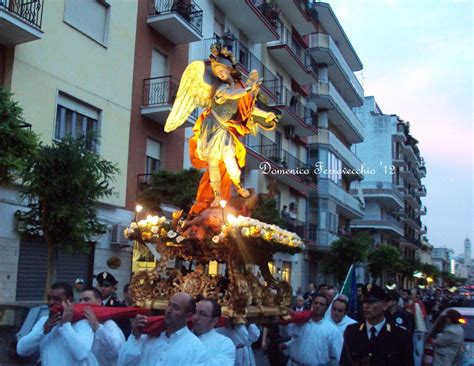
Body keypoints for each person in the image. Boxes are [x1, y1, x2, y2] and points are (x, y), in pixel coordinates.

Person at [179, 44, 277, 212]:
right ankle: (217, 196)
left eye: (223, 70)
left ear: (230, 70)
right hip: (212, 128)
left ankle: (238, 187)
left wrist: (263, 115)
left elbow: (246, 108)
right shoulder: (220, 88)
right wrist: (248, 89)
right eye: (218, 72)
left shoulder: (238, 87)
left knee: (231, 162)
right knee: (213, 164)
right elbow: (232, 95)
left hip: (225, 130)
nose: (220, 74)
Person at [17, 282, 98, 366]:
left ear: (69, 301)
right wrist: (43, 330)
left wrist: (66, 325)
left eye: (56, 299)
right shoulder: (44, 322)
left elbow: (82, 354)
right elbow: (21, 350)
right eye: (49, 298)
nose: (51, 302)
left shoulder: (82, 323)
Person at [118, 292, 208, 365]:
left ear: (188, 316)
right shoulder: (149, 336)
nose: (169, 310)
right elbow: (123, 363)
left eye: (176, 308)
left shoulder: (196, 349)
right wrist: (134, 337)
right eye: (169, 305)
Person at [340, 283, 414, 366]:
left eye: (371, 302)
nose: (366, 306)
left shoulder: (400, 336)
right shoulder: (351, 331)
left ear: (384, 306)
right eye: (364, 302)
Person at [281, 295, 343, 365]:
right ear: (312, 305)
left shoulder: (332, 330)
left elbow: (339, 356)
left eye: (321, 304)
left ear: (326, 308)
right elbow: (295, 339)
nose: (318, 306)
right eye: (315, 303)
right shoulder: (300, 322)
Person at [78, 287, 125, 366]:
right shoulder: (80, 323)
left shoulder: (109, 325)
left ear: (99, 301)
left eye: (86, 299)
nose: (81, 303)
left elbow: (116, 351)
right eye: (80, 300)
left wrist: (97, 326)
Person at [192, 298, 235, 366]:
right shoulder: (180, 336)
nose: (195, 317)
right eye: (194, 312)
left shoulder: (224, 343)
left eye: (202, 314)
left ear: (214, 321)